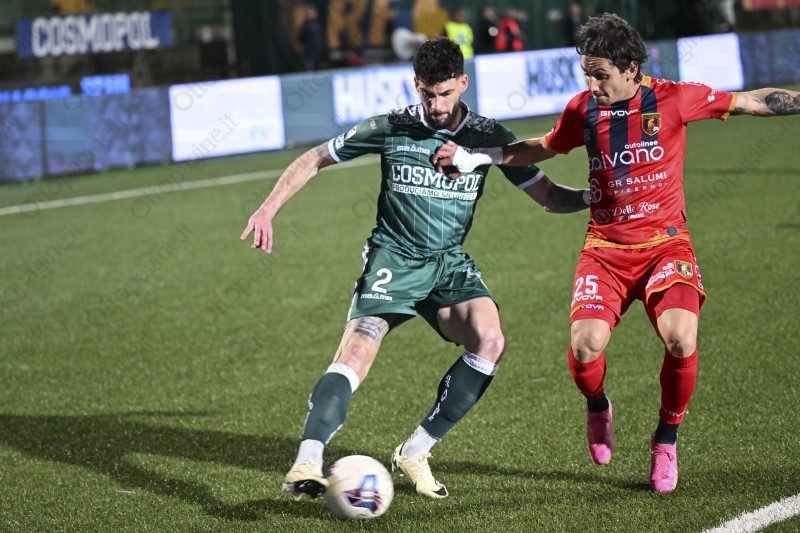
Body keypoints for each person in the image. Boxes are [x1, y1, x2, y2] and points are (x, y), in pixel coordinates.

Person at [432, 13, 800, 493]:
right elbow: (541, 148)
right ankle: (597, 405)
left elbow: (752, 101)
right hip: (605, 249)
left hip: (666, 245)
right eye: (586, 73)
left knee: (681, 338)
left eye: (600, 74)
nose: (592, 84)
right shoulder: (583, 109)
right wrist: (477, 156)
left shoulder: (675, 98)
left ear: (630, 68)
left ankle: (665, 439)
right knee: (585, 347)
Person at [241, 37, 589, 500]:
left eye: (445, 93)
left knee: (490, 341)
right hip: (394, 259)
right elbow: (315, 157)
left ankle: (415, 451)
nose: (437, 105)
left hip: (448, 264)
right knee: (355, 354)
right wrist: (267, 209)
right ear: (415, 85)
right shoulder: (392, 127)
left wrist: (596, 196)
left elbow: (550, 197)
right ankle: (307, 459)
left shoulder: (487, 136)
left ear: (463, 83)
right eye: (428, 93)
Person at [298, 4, 323, 71]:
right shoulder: (304, 25)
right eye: (309, 13)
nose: (310, 15)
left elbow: (319, 37)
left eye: (312, 13)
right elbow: (301, 38)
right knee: (310, 67)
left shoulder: (318, 24)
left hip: (318, 50)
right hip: (309, 51)